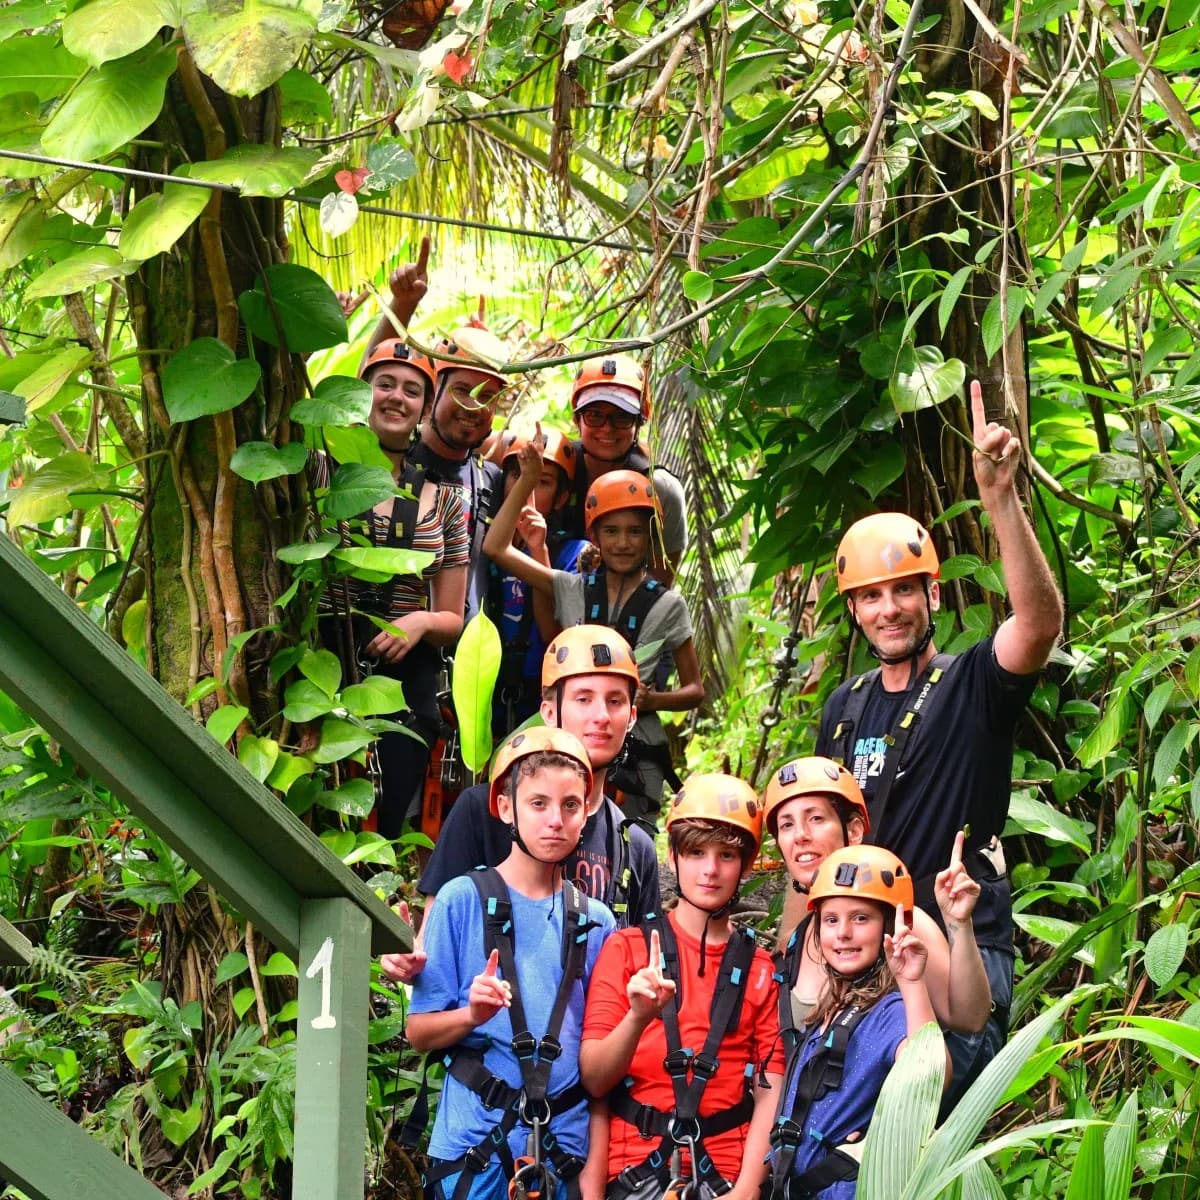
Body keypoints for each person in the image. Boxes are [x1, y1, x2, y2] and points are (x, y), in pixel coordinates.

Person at [812, 380, 1064, 1100]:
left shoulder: (971, 684)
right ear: (854, 610)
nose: (888, 609)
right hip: (865, 950)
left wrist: (1000, 500)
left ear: (932, 594)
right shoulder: (844, 706)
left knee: (920, 1112)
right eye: (870, 596)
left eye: (904, 590)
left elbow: (1038, 624)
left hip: (959, 952)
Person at [381, 625, 661, 985]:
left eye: (615, 701)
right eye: (583, 698)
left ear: (632, 717)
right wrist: (410, 959)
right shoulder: (483, 811)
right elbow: (432, 944)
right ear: (548, 710)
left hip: (587, 1034)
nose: (601, 716)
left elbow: (641, 968)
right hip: (483, 1029)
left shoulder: (633, 846)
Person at [407, 726, 615, 1200]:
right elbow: (419, 1033)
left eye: (570, 805)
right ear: (505, 807)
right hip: (474, 1151)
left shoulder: (596, 922)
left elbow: (601, 1069)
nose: (555, 821)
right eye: (537, 803)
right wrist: (471, 1016)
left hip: (565, 1154)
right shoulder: (461, 901)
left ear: (587, 812)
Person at [580, 774, 783, 1200]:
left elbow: (769, 1092)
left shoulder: (761, 969)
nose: (710, 870)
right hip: (633, 1169)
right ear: (673, 857)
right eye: (696, 853)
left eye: (726, 855)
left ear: (746, 865)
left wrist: (746, 1191)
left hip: (725, 1175)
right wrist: (637, 1016)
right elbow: (596, 1082)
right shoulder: (626, 949)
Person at [485, 437, 704, 827]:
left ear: (650, 538)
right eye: (612, 531)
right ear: (595, 536)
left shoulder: (669, 606)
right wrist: (528, 480)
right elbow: (496, 547)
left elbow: (695, 691)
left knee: (632, 843)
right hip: (567, 740)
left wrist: (653, 700)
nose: (623, 543)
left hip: (638, 747)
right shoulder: (572, 588)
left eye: (635, 532)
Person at [316, 339, 468, 836]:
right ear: (364, 392)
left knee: (387, 815)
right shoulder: (321, 472)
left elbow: (452, 617)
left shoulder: (445, 498)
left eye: (411, 390)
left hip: (406, 671)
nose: (396, 398)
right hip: (325, 657)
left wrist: (420, 621)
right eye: (384, 384)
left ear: (426, 407)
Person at [762, 757, 989, 1067]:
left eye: (815, 818)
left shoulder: (899, 921)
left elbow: (969, 1018)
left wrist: (959, 925)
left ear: (854, 829)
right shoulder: (800, 933)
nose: (800, 834)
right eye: (787, 824)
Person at [766, 845, 947, 1200]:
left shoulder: (889, 1010)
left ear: (889, 927)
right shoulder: (828, 1009)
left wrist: (912, 982)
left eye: (861, 918)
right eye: (831, 920)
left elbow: (933, 1076)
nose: (843, 933)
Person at [490, 431, 589, 735]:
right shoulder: (480, 540)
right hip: (486, 694)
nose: (526, 486)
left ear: (561, 497)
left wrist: (538, 548)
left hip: (541, 702)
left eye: (541, 481)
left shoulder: (576, 554)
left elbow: (554, 632)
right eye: (517, 475)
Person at [565, 355, 687, 580]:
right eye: (594, 415)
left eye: (622, 417)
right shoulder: (552, 470)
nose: (607, 428)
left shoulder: (660, 490)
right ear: (577, 419)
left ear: (639, 422)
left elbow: (658, 589)